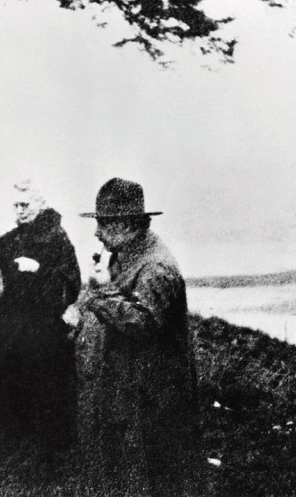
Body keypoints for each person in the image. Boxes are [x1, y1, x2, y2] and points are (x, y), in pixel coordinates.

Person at [75, 177, 201, 496]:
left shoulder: (156, 267)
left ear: (126, 224)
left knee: (151, 479)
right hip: (129, 394)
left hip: (153, 400)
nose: (96, 232)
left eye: (102, 223)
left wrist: (101, 292)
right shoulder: (126, 253)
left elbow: (142, 324)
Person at [0, 180, 82, 457]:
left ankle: (46, 448)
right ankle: (7, 436)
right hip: (11, 319)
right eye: (16, 206)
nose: (20, 211)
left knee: (42, 383)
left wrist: (40, 270)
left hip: (43, 323)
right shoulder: (18, 236)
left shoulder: (57, 238)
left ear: (41, 205)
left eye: (26, 205)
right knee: (1, 371)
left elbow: (71, 284)